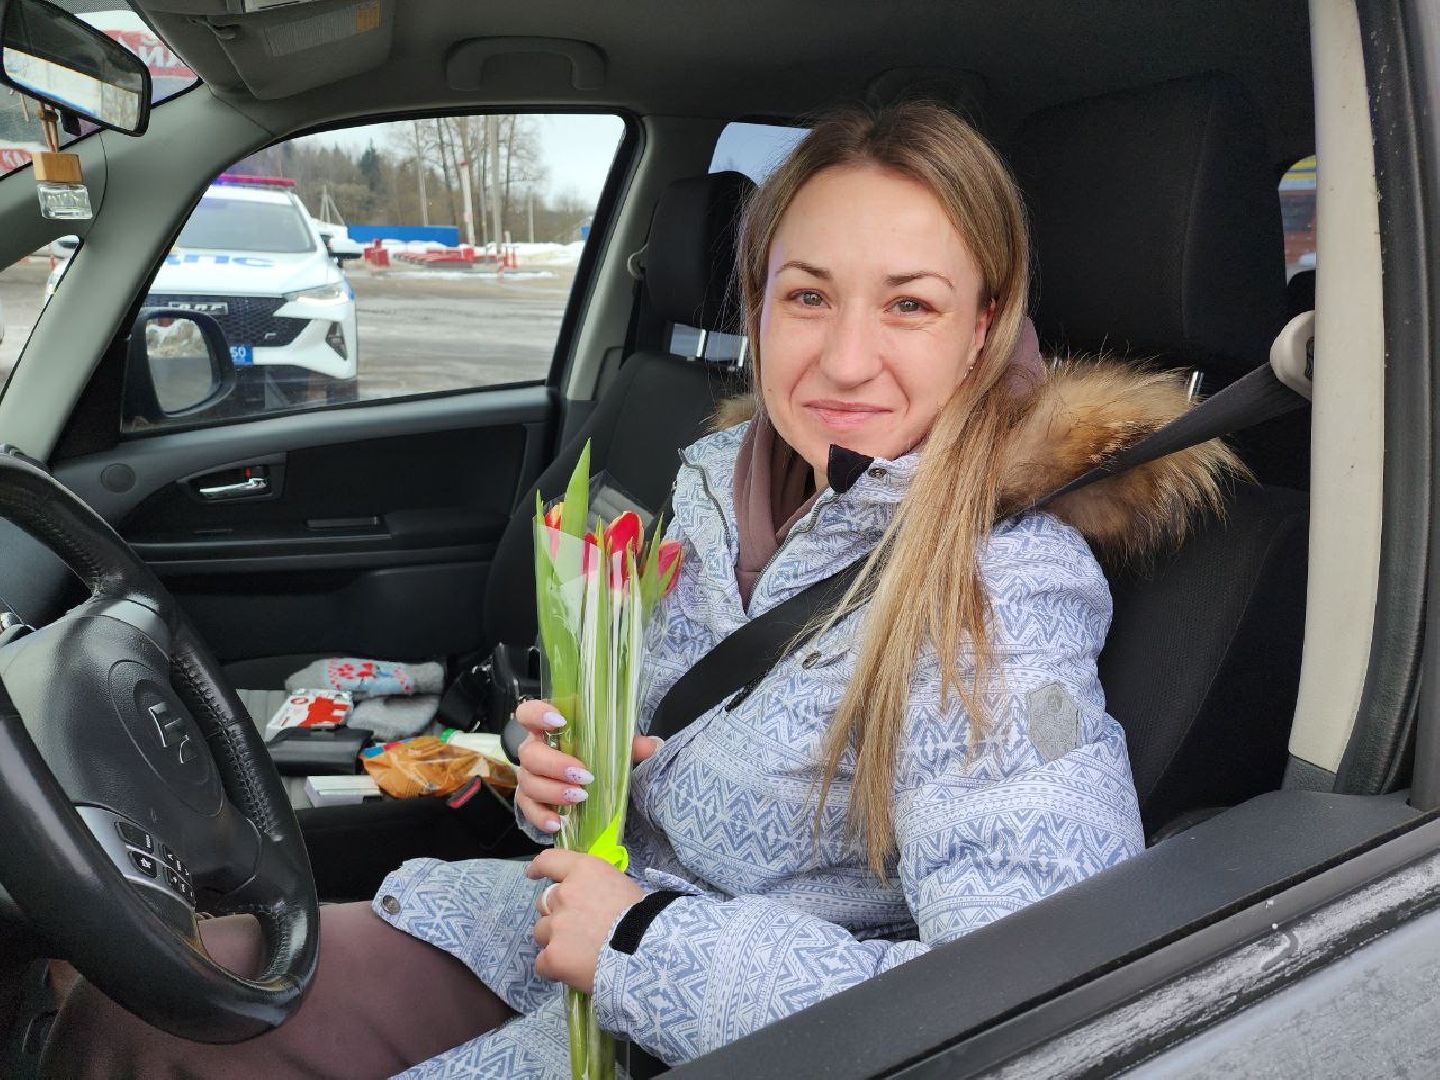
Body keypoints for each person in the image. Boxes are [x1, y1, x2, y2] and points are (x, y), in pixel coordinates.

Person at [45, 101, 1240, 1078]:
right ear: (758, 303)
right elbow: (663, 762)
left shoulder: (1003, 593)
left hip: (724, 1027)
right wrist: (567, 779)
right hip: (570, 938)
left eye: (911, 304)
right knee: (150, 1004)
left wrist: (642, 941)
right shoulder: (729, 480)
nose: (843, 358)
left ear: (983, 334)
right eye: (807, 294)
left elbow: (1024, 1000)